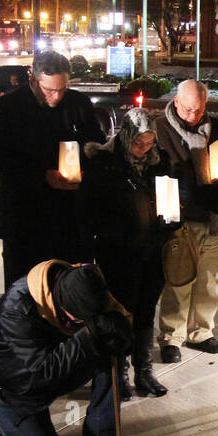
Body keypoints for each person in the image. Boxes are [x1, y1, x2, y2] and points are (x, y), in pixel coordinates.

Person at [0, 262, 145, 436]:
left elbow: (120, 319)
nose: (82, 323)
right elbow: (40, 374)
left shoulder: (86, 282)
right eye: (78, 320)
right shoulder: (16, 310)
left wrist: (122, 335)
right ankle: (0, 421)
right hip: (18, 388)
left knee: (110, 343)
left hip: (54, 368)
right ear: (62, 306)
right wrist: (89, 333)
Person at [0, 50, 104, 289]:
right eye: (50, 90)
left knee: (73, 293)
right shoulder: (7, 106)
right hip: (25, 220)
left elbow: (96, 146)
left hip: (71, 218)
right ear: (33, 79)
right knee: (26, 293)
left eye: (62, 89)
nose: (57, 96)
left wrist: (85, 167)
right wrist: (42, 175)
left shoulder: (78, 104)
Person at [81, 108, 175, 398]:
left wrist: (169, 222)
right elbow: (91, 210)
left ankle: (144, 370)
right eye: (138, 143)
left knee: (146, 309)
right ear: (125, 137)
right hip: (118, 252)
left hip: (152, 251)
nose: (144, 149)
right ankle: (117, 372)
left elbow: (171, 198)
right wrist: (120, 236)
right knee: (120, 313)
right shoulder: (105, 163)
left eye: (149, 143)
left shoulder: (160, 163)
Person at [153, 80, 218, 361]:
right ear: (176, 102)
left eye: (199, 110)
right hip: (181, 215)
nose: (193, 115)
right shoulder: (160, 129)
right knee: (178, 279)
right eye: (188, 109)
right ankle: (171, 335)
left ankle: (202, 330)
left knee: (209, 279)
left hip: (213, 214)